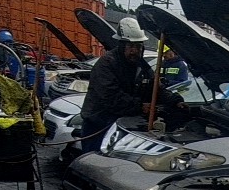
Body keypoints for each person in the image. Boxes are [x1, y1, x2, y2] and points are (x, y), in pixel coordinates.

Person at [78, 17, 182, 153]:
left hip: (124, 125)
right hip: (98, 125)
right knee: (93, 163)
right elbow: (111, 97)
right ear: (121, 46)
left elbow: (156, 88)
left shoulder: (141, 66)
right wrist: (140, 106)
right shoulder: (106, 64)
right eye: (131, 46)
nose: (135, 50)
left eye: (138, 46)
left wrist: (175, 101)